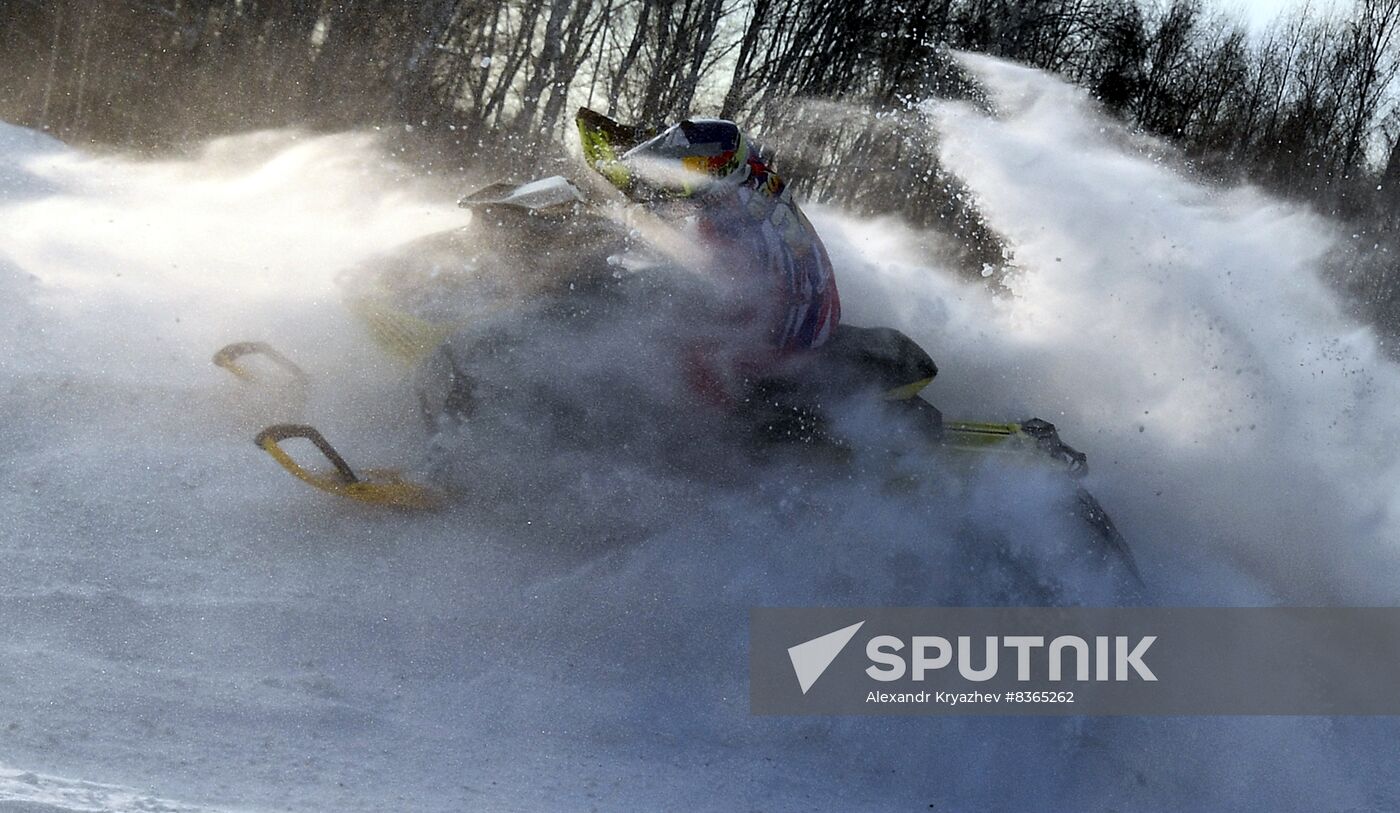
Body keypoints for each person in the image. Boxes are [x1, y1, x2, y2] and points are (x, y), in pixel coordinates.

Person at [577, 110, 841, 404]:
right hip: (815, 312)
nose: (683, 183)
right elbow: (692, 144)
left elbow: (717, 286)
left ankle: (702, 433)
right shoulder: (751, 172)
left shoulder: (731, 221)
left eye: (695, 174)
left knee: (670, 337)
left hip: (786, 337)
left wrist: (643, 253)